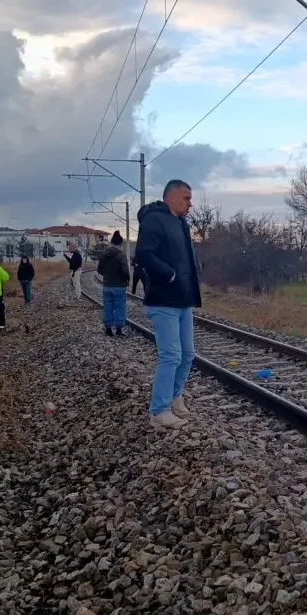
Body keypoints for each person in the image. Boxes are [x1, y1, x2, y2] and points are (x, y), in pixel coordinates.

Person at [134, 179, 201, 430]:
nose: (190, 203)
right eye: (186, 198)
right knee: (171, 355)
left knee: (187, 354)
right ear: (170, 197)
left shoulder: (180, 223)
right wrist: (170, 274)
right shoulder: (154, 220)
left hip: (183, 300)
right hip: (163, 299)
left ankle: (175, 397)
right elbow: (143, 254)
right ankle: (159, 411)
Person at [97, 231, 131, 336]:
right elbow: (125, 271)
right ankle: (119, 330)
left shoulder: (103, 254)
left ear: (111, 242)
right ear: (120, 244)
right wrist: (126, 279)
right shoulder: (121, 255)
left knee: (108, 306)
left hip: (107, 286)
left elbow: (99, 269)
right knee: (120, 306)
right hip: (119, 286)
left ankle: (108, 329)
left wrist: (107, 276)